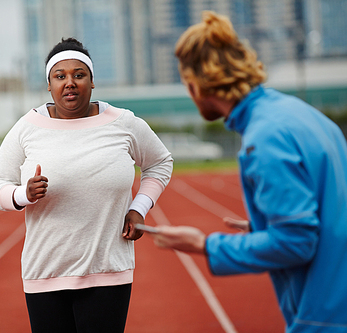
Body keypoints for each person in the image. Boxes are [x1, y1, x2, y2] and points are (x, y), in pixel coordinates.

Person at [146, 11, 347, 332]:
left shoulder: (264, 137)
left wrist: (204, 245)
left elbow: (296, 243)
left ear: (197, 85)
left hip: (324, 316)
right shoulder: (305, 116)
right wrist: (262, 226)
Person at [0, 37, 173, 333]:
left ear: (92, 81)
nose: (69, 82)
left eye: (79, 75)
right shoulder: (28, 127)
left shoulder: (123, 123)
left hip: (108, 272)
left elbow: (160, 163)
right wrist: (23, 194)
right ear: (49, 85)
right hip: (45, 273)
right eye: (60, 76)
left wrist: (139, 208)